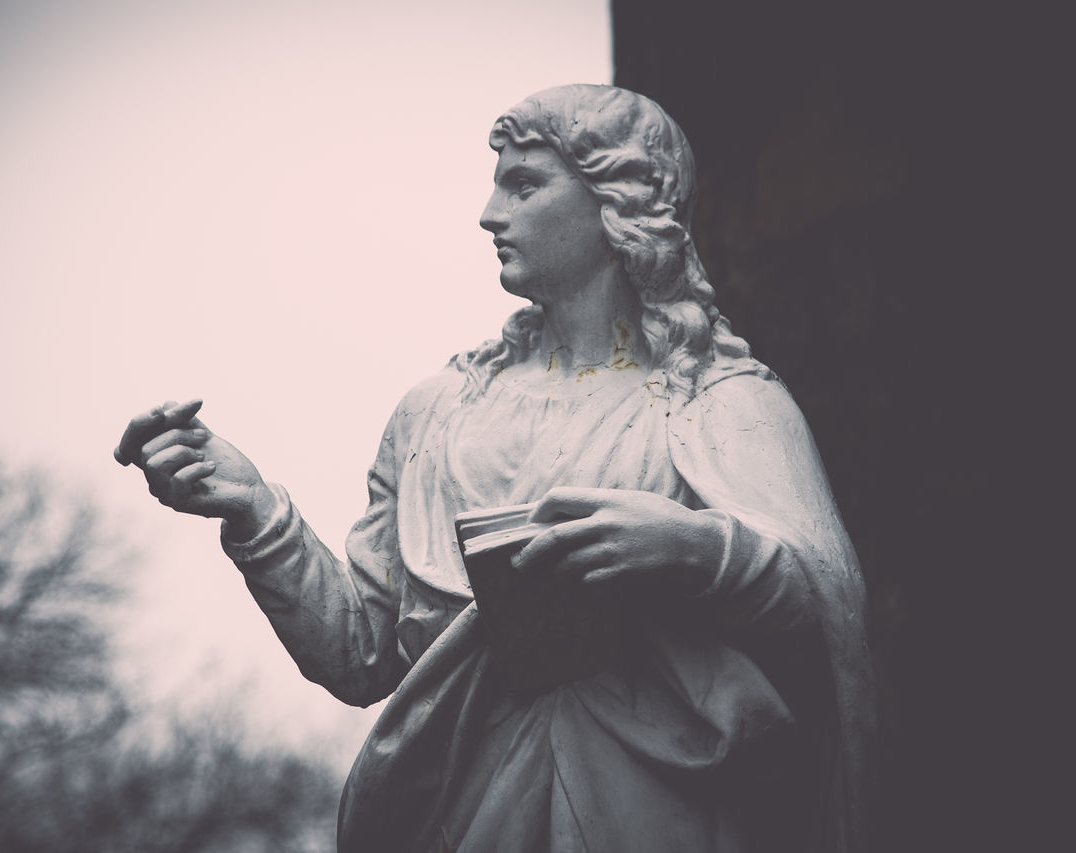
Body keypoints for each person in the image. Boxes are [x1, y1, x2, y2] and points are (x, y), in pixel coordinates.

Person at [115, 84, 875, 852]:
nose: (489, 214)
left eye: (524, 184)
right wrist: (255, 511)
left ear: (620, 204)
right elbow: (363, 655)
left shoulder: (721, 402)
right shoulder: (439, 413)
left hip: (663, 813)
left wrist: (697, 552)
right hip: (459, 812)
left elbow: (826, 615)